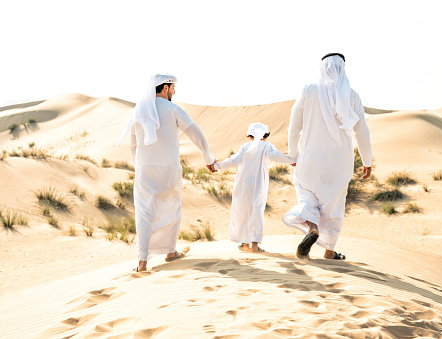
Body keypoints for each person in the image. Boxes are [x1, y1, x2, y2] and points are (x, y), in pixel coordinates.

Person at [117, 73, 216, 272]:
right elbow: (196, 133)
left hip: (144, 169)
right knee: (172, 208)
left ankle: (142, 262)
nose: (174, 91)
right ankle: (170, 252)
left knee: (144, 214)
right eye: (172, 88)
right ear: (165, 88)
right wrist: (209, 159)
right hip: (169, 169)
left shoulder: (140, 111)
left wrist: (140, 168)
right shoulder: (173, 109)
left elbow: (133, 145)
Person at [283, 53, 373, 260]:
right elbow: (362, 132)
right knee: (334, 205)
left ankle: (312, 228)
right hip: (340, 163)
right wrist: (367, 162)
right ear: (343, 68)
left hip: (310, 159)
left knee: (306, 196)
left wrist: (292, 154)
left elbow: (294, 126)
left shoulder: (309, 90)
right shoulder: (352, 95)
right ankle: (329, 251)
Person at [213, 123, 295, 253]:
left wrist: (217, 166)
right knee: (257, 210)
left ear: (250, 136)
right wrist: (291, 160)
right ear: (266, 135)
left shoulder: (245, 147)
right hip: (258, 184)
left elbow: (233, 160)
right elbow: (276, 156)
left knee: (244, 211)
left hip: (243, 184)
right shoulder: (266, 146)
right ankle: (255, 245)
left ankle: (245, 244)